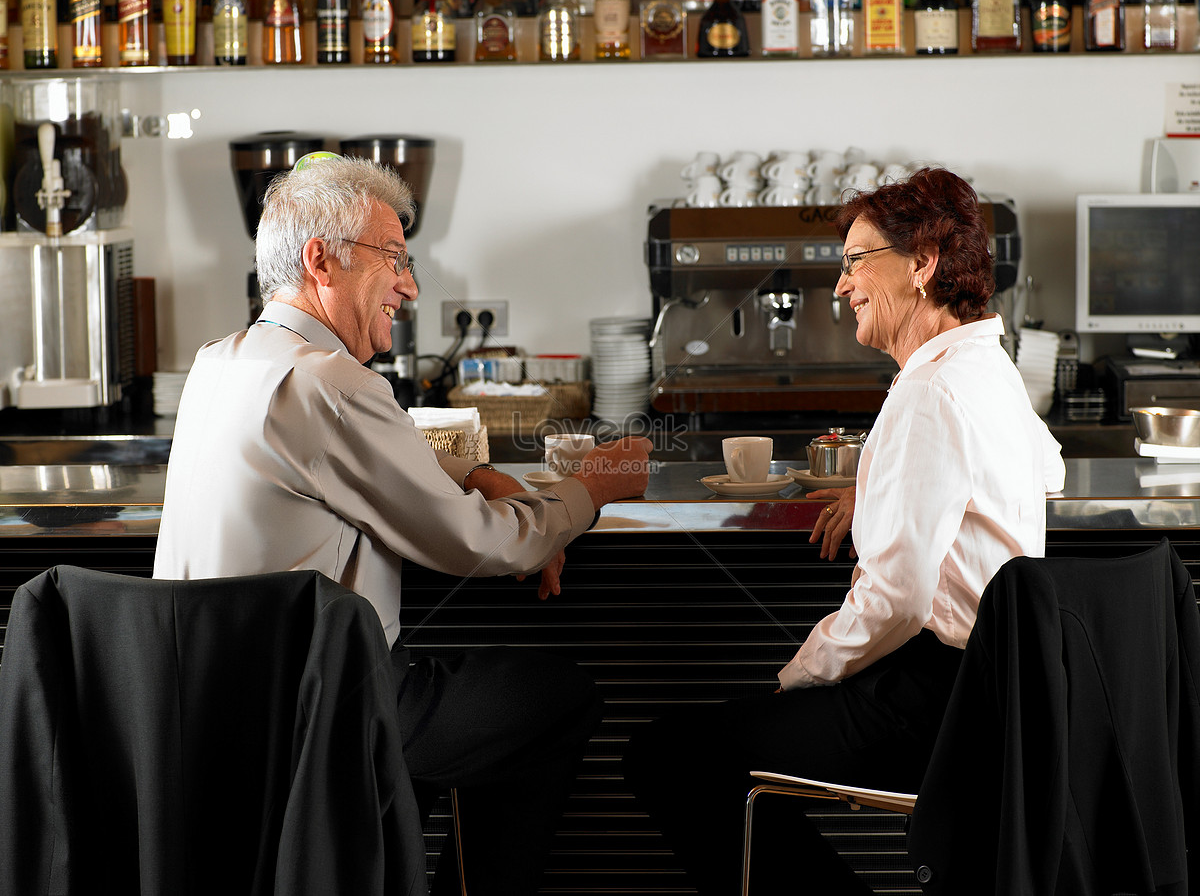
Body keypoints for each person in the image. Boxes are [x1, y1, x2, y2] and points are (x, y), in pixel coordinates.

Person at [153, 155, 652, 896]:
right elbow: (485, 544)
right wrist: (592, 488)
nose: (411, 285)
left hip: (210, 708)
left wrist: (465, 470)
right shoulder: (329, 381)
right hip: (322, 712)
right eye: (394, 258)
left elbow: (336, 461)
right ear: (321, 259)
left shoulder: (222, 362)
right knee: (558, 696)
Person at [622, 167, 1066, 894]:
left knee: (667, 756)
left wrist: (798, 675)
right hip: (999, 695)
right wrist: (885, 485)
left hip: (936, 700)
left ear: (920, 265)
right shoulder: (986, 364)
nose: (839, 284)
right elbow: (1048, 468)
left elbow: (898, 596)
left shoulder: (930, 390)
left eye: (857, 261)